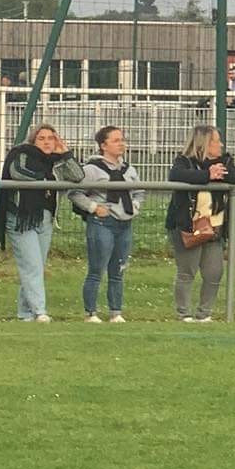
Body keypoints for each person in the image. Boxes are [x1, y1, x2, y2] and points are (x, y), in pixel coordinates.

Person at [0, 122, 84, 323]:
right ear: (33, 141)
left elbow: (78, 176)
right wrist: (44, 180)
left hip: (45, 218)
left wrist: (65, 152)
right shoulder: (22, 154)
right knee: (32, 266)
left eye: (51, 138)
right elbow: (18, 172)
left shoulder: (57, 162)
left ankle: (25, 314)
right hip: (22, 217)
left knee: (36, 266)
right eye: (41, 138)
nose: (47, 142)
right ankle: (39, 312)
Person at [165, 124, 235, 323]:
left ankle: (204, 313)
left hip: (215, 228)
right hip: (188, 227)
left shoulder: (225, 161)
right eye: (216, 141)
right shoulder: (184, 161)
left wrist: (221, 173)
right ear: (204, 144)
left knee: (214, 273)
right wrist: (207, 175)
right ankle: (184, 314)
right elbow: (176, 175)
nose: (221, 145)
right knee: (187, 271)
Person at [71, 125, 143, 324]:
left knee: (118, 270)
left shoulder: (129, 169)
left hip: (124, 223)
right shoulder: (91, 169)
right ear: (103, 145)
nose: (122, 144)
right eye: (116, 140)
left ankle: (115, 312)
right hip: (102, 223)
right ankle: (91, 313)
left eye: (122, 140)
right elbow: (75, 193)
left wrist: (135, 206)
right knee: (97, 269)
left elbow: (139, 192)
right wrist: (93, 207)